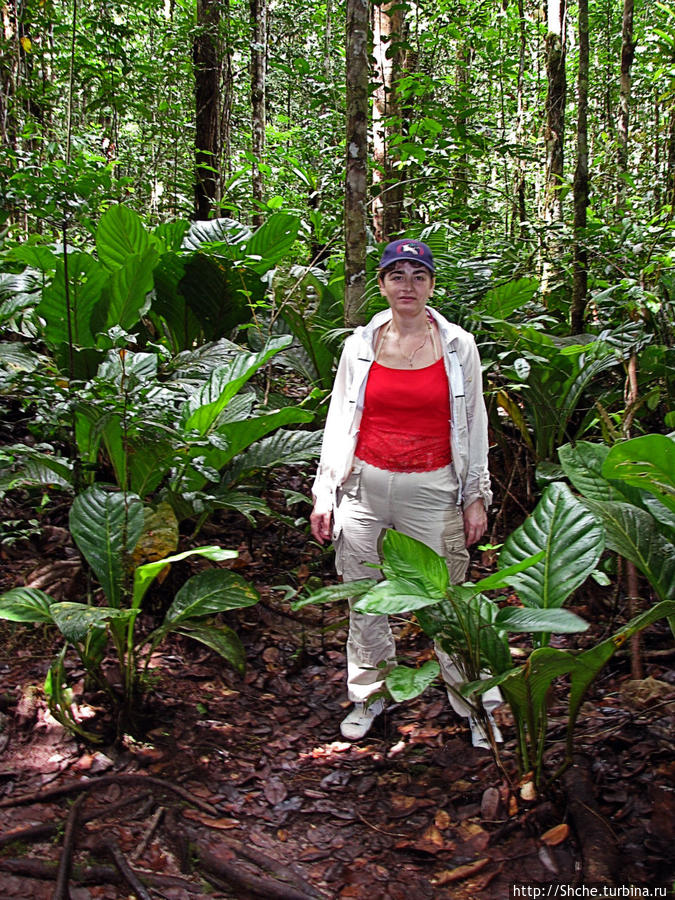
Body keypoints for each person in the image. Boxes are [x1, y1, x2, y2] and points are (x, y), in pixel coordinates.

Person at [309, 238, 503, 747]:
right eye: (398, 275)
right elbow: (339, 420)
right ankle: (369, 695)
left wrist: (475, 494)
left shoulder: (459, 347)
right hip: (364, 487)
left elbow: (475, 422)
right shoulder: (361, 344)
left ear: (432, 284)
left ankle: (473, 702)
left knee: (448, 600)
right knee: (366, 598)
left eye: (419, 275)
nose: (408, 286)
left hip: (433, 487)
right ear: (382, 285)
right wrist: (324, 491)